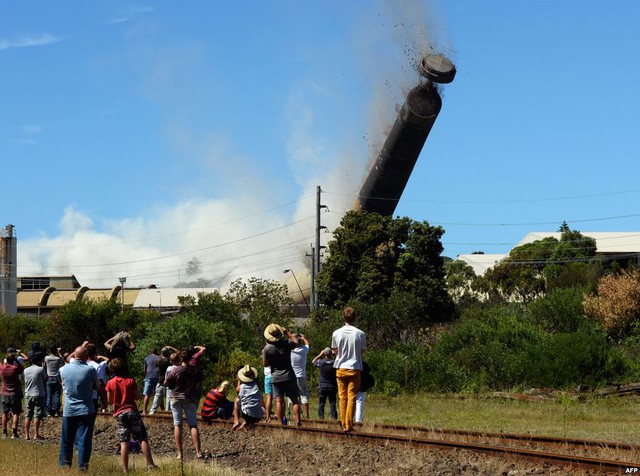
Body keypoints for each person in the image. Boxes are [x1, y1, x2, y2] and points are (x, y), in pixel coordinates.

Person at [105, 357, 157, 473]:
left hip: (120, 414)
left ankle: (125, 469)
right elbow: (136, 396)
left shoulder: (110, 383)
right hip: (132, 411)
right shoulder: (130, 381)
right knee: (142, 438)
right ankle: (150, 464)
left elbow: (109, 400)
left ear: (112, 370)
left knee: (124, 441)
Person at [59, 345, 100, 471]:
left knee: (67, 438)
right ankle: (82, 466)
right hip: (86, 408)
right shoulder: (90, 370)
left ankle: (65, 464)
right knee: (84, 440)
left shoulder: (63, 369)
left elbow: (62, 383)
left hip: (69, 409)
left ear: (74, 355)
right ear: (86, 357)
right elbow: (97, 386)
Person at [164, 348, 204, 460]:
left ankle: (180, 454)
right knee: (193, 425)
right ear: (191, 357)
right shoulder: (195, 370)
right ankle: (198, 452)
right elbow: (197, 385)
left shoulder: (175, 370)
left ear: (181, 358)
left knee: (177, 425)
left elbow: (166, 383)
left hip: (175, 398)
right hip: (189, 398)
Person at [331, 306, 366, 433]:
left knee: (342, 397)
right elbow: (362, 351)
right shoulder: (360, 334)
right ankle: (348, 424)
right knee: (352, 397)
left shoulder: (336, 333)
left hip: (340, 367)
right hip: (354, 368)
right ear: (355, 318)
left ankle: (343, 423)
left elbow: (335, 350)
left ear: (343, 317)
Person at [262, 323, 301, 426]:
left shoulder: (267, 349)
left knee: (280, 401)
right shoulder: (286, 343)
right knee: (294, 399)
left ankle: (281, 423)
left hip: (276, 377)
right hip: (289, 375)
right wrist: (287, 332)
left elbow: (265, 364)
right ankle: (297, 420)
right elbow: (296, 342)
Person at [0, 347, 25, 439]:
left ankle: (4, 433)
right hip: (14, 393)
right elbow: (22, 368)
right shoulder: (15, 368)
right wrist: (16, 360)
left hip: (5, 393)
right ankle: (14, 433)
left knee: (5, 413)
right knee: (15, 413)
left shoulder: (2, 369)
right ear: (13, 360)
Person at [23, 352, 47, 440]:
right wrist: (44, 367)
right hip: (38, 394)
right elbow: (46, 378)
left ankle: (26, 435)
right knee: (37, 415)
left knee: (28, 415)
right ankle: (35, 434)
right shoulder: (41, 369)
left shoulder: (25, 370)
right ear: (38, 361)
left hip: (28, 394)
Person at [232, 365, 264, 431]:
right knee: (251, 408)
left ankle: (236, 421)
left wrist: (238, 381)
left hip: (246, 414)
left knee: (236, 400)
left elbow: (239, 396)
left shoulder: (240, 387)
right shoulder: (257, 386)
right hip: (258, 415)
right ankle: (245, 424)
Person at [149, 346, 177, 415]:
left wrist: (162, 353)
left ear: (162, 353)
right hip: (169, 381)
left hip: (161, 380)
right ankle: (168, 412)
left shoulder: (158, 361)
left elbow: (160, 358)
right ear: (168, 354)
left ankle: (152, 411)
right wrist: (171, 348)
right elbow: (177, 353)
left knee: (157, 397)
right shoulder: (169, 362)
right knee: (168, 398)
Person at [312, 347, 338, 420]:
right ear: (331, 354)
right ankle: (334, 418)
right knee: (332, 403)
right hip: (332, 386)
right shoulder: (334, 362)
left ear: (324, 354)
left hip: (323, 386)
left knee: (321, 403)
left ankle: (321, 418)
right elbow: (340, 361)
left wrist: (320, 354)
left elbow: (313, 361)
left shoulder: (321, 362)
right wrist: (336, 355)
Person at [290, 334, 310, 419]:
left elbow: (289, 342)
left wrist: (291, 336)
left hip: (292, 376)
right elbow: (307, 344)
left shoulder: (290, 351)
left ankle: (295, 415)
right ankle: (307, 415)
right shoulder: (304, 350)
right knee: (304, 395)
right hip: (301, 376)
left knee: (292, 397)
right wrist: (304, 337)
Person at [44, 344, 65, 417]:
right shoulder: (58, 359)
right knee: (57, 394)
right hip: (57, 378)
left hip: (49, 377)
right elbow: (63, 360)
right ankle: (56, 411)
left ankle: (48, 411)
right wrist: (59, 352)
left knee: (49, 395)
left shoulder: (46, 358)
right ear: (56, 350)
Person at [142, 348, 161, 415]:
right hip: (158, 376)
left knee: (147, 394)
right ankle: (162, 410)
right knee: (158, 394)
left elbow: (145, 369)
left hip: (149, 376)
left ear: (150, 352)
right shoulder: (159, 358)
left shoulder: (146, 358)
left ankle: (144, 411)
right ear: (156, 352)